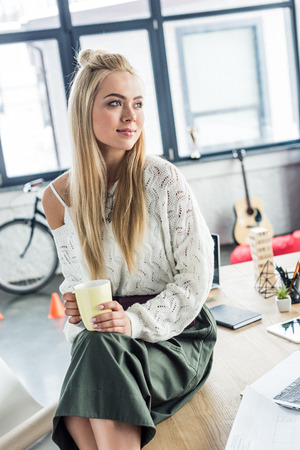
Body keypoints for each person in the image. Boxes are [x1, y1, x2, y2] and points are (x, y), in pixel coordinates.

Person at [42, 48, 217, 450]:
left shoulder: (163, 180)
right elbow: (79, 282)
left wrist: (134, 322)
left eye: (137, 103)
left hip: (174, 334)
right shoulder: (58, 197)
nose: (131, 116)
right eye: (115, 103)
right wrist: (74, 305)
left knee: (93, 369)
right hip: (107, 338)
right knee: (95, 343)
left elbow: (194, 282)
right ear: (84, 112)